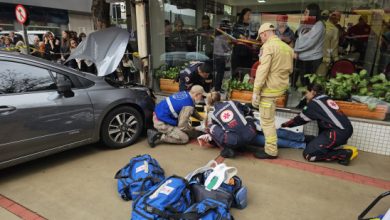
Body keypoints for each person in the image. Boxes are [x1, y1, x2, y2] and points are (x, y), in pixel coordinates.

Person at [281, 84, 355, 165]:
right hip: (344, 130)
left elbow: (299, 120)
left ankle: (342, 154)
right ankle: (321, 143)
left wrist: (284, 125)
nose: (305, 96)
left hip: (336, 133)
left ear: (313, 91)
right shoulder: (325, 98)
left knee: (309, 155)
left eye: (306, 93)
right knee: (315, 141)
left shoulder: (314, 104)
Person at [252, 23, 294, 159]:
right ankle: (271, 147)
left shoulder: (268, 47)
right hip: (280, 90)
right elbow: (290, 70)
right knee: (270, 118)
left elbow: (262, 71)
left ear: (264, 33)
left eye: (261, 37)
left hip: (268, 91)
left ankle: (270, 150)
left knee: (267, 121)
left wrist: (256, 91)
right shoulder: (286, 47)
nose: (261, 40)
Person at [293, 3, 325, 88]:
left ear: (313, 13)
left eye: (306, 12)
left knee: (310, 83)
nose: (304, 14)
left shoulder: (319, 25)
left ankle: (309, 100)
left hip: (313, 59)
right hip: (302, 58)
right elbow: (298, 38)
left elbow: (310, 43)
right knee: (303, 81)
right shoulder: (305, 23)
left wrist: (296, 50)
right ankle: (304, 98)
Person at [231, 8, 255, 77]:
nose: (249, 17)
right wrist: (240, 36)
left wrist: (252, 40)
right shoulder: (237, 25)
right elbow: (232, 35)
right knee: (236, 72)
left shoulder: (251, 26)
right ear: (243, 15)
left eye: (250, 15)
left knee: (247, 73)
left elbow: (254, 37)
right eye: (248, 15)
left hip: (248, 52)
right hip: (238, 52)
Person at [317, 10, 341, 76]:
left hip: (312, 56)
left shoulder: (317, 25)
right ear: (338, 19)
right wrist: (336, 60)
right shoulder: (335, 30)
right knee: (319, 79)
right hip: (324, 58)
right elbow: (334, 48)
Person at [213, 22, 232, 92]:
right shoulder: (223, 38)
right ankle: (217, 88)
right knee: (220, 74)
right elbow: (228, 48)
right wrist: (231, 45)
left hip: (216, 56)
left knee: (218, 73)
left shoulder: (216, 37)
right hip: (221, 57)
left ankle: (216, 87)